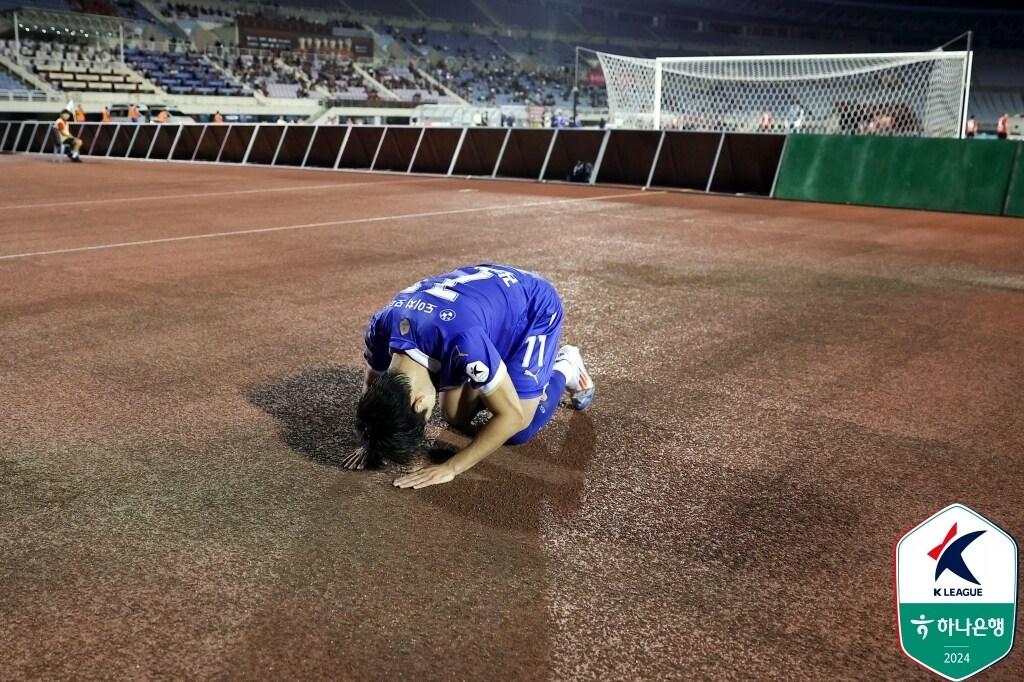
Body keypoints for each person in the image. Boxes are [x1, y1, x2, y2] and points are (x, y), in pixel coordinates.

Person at [350, 264, 595, 489]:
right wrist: (373, 439)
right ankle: (496, 376)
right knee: (455, 416)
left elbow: (511, 417)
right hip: (476, 311)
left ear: (418, 401)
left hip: (533, 309)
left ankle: (566, 366)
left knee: (518, 429)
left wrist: (451, 467)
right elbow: (372, 383)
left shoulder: (463, 342)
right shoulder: (382, 326)